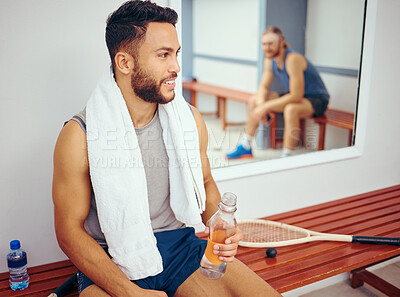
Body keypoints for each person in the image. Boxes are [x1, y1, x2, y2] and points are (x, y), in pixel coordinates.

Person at [52, 1, 282, 297]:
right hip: (111, 258)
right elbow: (68, 232)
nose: (176, 67)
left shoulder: (189, 120)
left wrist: (219, 225)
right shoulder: (78, 136)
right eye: (163, 55)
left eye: (176, 54)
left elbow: (206, 182)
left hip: (180, 249)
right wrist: (128, 292)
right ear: (125, 62)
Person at [226, 26, 330, 159]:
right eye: (264, 44)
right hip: (295, 95)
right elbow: (263, 87)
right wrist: (261, 104)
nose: (267, 47)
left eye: (271, 43)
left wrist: (265, 107)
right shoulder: (270, 60)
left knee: (291, 109)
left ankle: (287, 156)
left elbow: (296, 95)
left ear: (282, 42)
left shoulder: (292, 59)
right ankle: (245, 146)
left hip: (317, 98)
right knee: (254, 100)